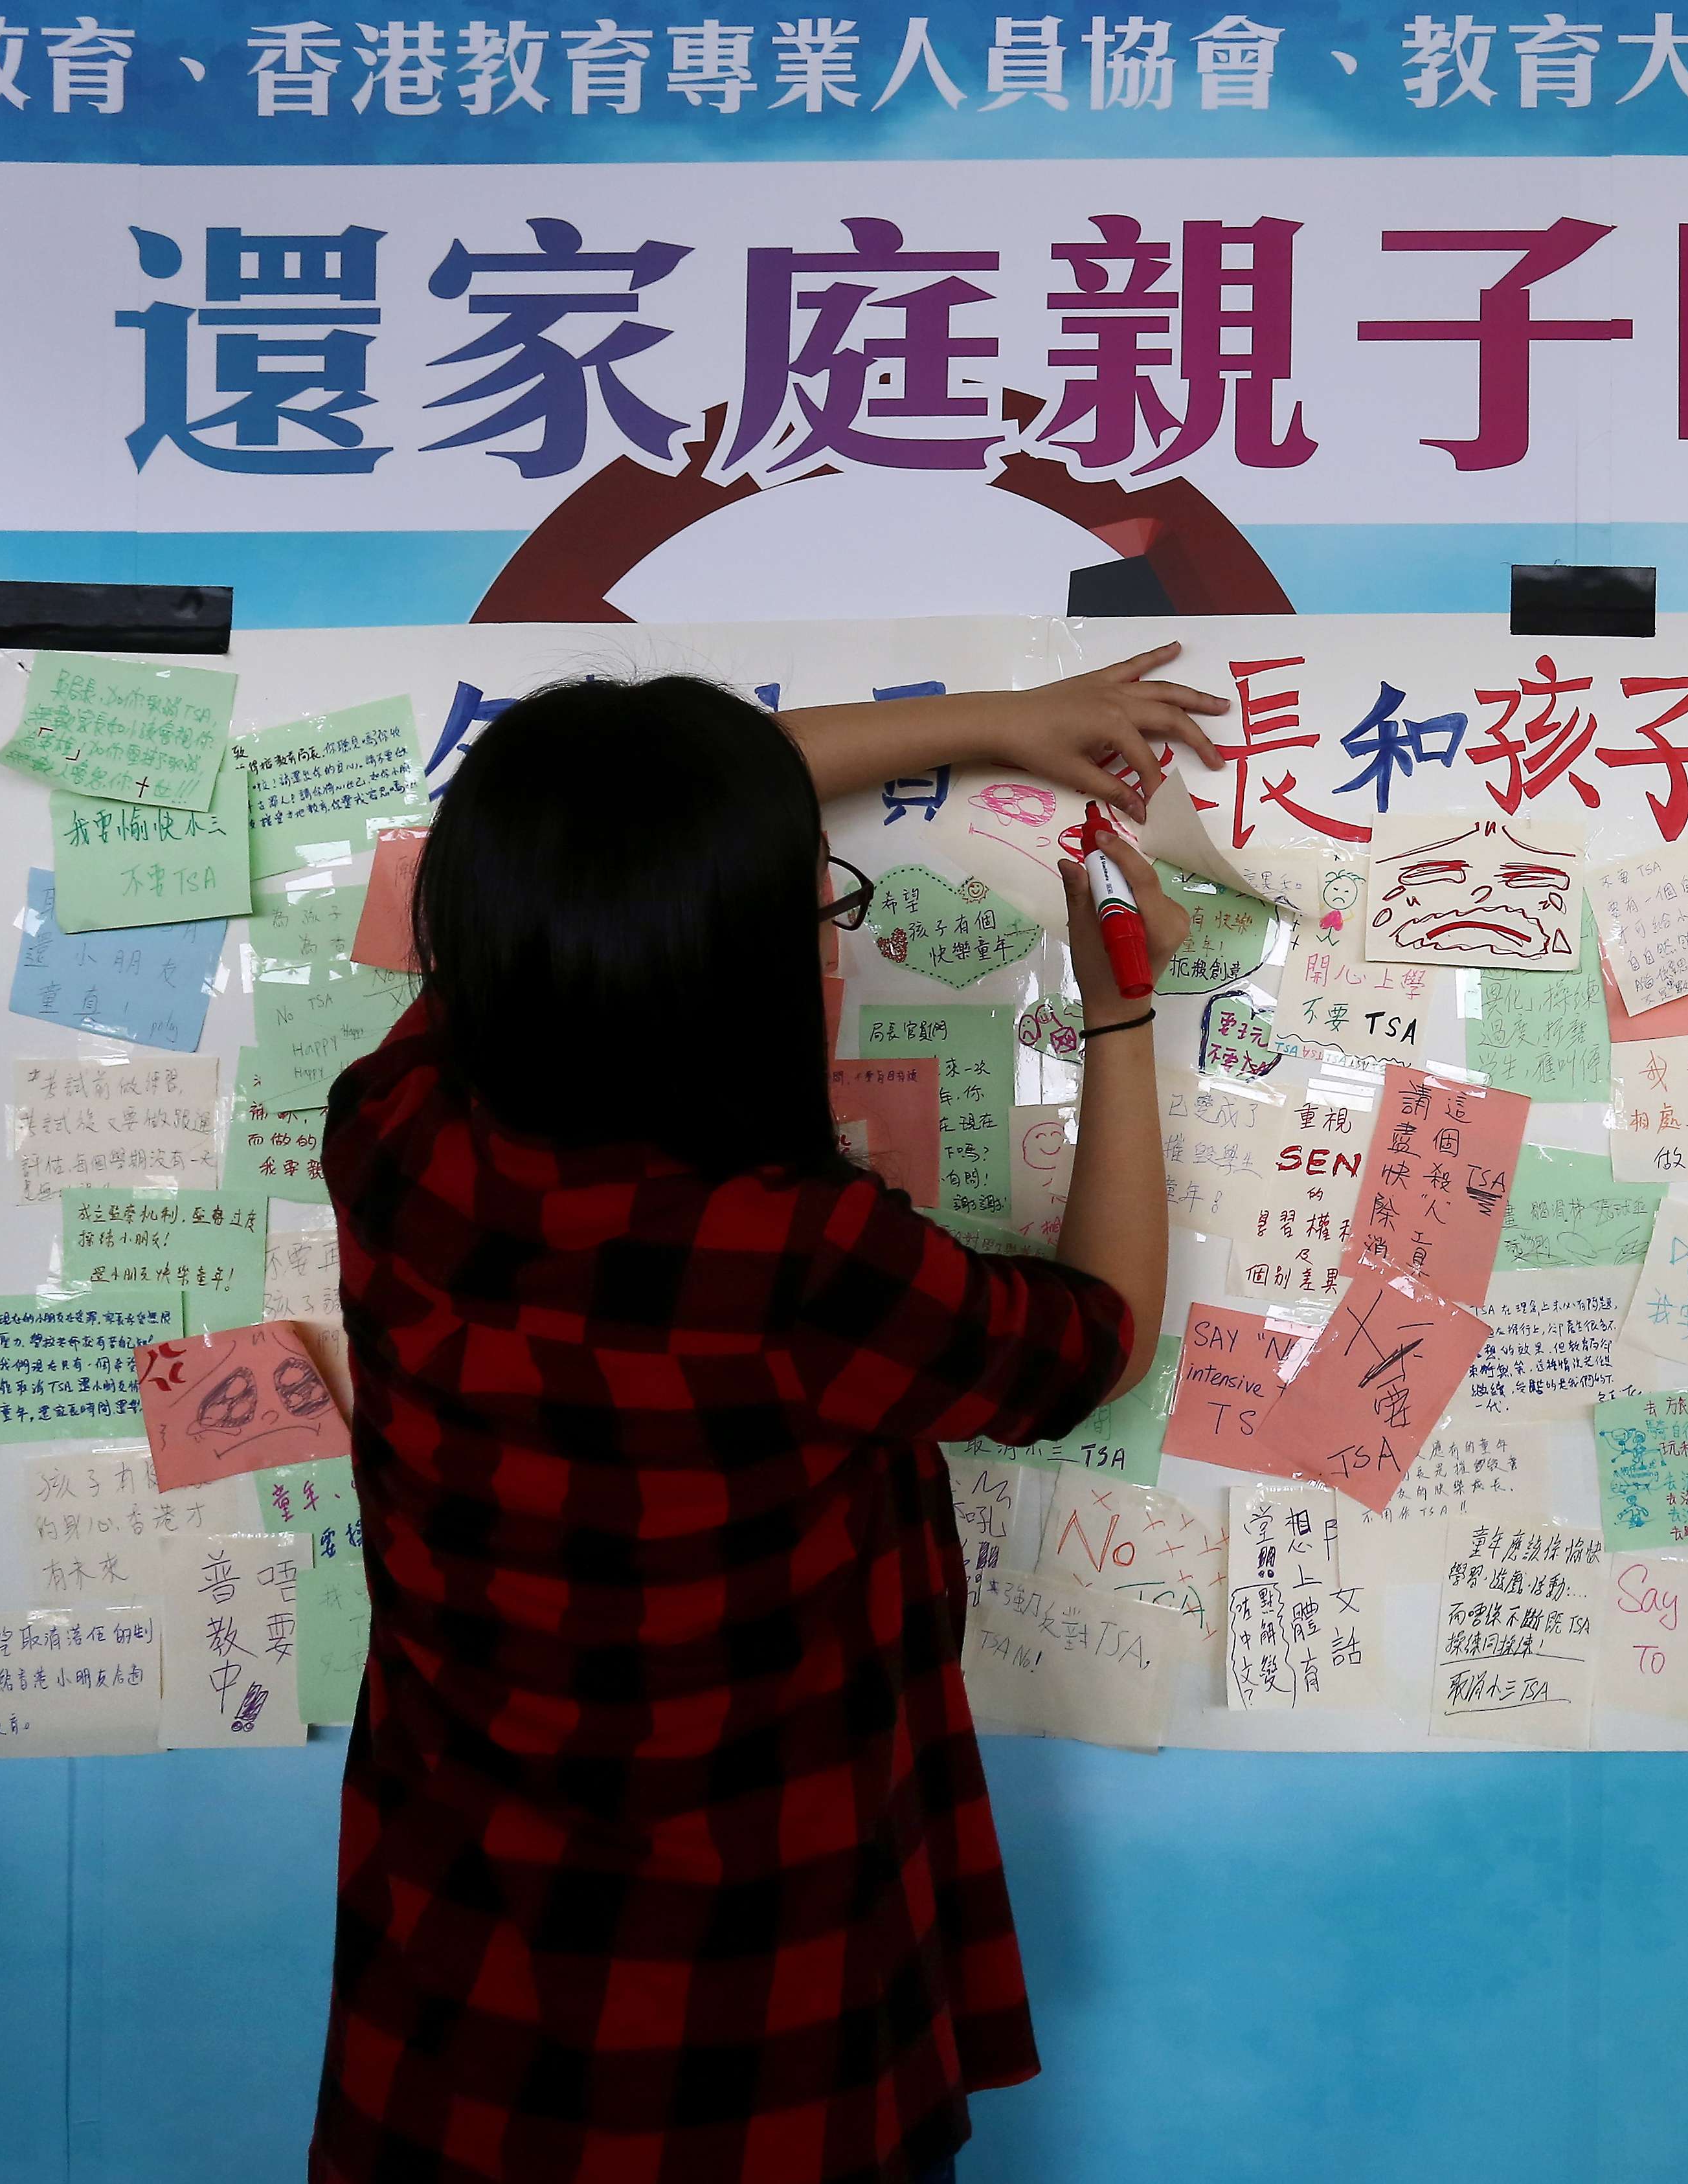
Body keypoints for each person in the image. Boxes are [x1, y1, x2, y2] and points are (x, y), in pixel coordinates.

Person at [308, 649, 1219, 2184]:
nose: (834, 945)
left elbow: (627, 831)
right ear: (723, 965)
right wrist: (1118, 1007)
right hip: (742, 2008)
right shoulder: (795, 1258)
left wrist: (1006, 718)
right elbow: (1096, 1341)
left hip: (454, 1976)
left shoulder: (399, 1124)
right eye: (818, 912)